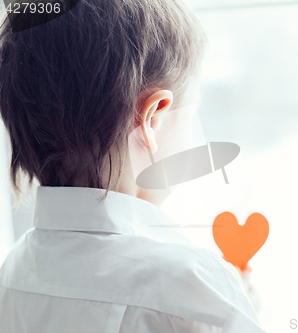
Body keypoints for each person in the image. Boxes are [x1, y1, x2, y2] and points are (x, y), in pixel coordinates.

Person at [0, 0, 266, 332]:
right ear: (152, 118)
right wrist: (236, 308)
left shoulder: (13, 272)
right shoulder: (194, 288)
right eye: (192, 113)